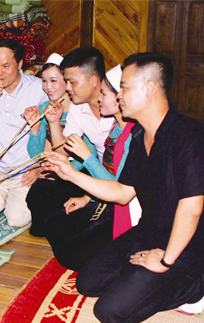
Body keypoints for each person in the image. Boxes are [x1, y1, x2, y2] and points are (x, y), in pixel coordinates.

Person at [42, 52, 204, 323]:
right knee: (87, 283)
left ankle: (190, 289)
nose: (117, 94)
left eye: (123, 87)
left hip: (186, 246)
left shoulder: (188, 135)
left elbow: (193, 209)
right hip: (148, 232)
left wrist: (167, 260)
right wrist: (72, 175)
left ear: (149, 89)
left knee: (109, 311)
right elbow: (123, 192)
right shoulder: (138, 135)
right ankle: (150, 281)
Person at [43, 64, 141, 271]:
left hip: (124, 210)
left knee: (71, 256)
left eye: (104, 94)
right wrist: (87, 198)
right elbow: (107, 173)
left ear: (120, 97)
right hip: (103, 199)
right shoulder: (116, 127)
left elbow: (120, 187)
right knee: (54, 223)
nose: (99, 99)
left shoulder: (134, 134)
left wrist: (87, 158)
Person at [26, 47, 114, 236]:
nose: (67, 88)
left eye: (71, 82)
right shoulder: (77, 107)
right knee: (44, 199)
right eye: (66, 82)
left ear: (93, 80)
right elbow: (62, 153)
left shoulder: (117, 108)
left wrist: (88, 195)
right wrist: (54, 122)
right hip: (94, 180)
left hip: (114, 182)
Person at [0, 38, 49, 227]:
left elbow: (53, 131)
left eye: (6, 66)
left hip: (25, 172)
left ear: (20, 64)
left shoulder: (38, 88)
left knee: (17, 220)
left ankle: (9, 200)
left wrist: (39, 168)